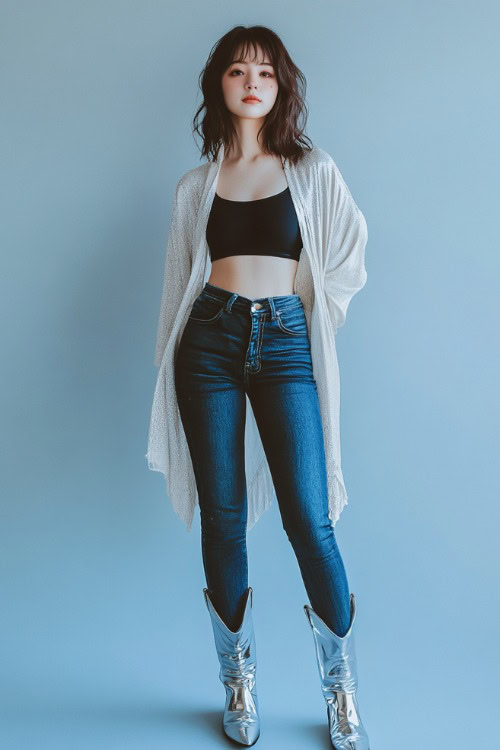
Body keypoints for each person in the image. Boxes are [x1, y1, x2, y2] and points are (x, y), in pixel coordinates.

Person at [146, 25, 371, 749]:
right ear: (220, 84)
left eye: (266, 72)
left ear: (281, 87)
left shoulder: (311, 170)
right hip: (207, 342)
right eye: (239, 70)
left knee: (310, 518)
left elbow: (347, 258)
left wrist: (304, 317)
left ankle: (342, 695)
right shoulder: (194, 186)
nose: (252, 81)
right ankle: (237, 683)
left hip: (283, 343)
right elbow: (179, 287)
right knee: (225, 517)